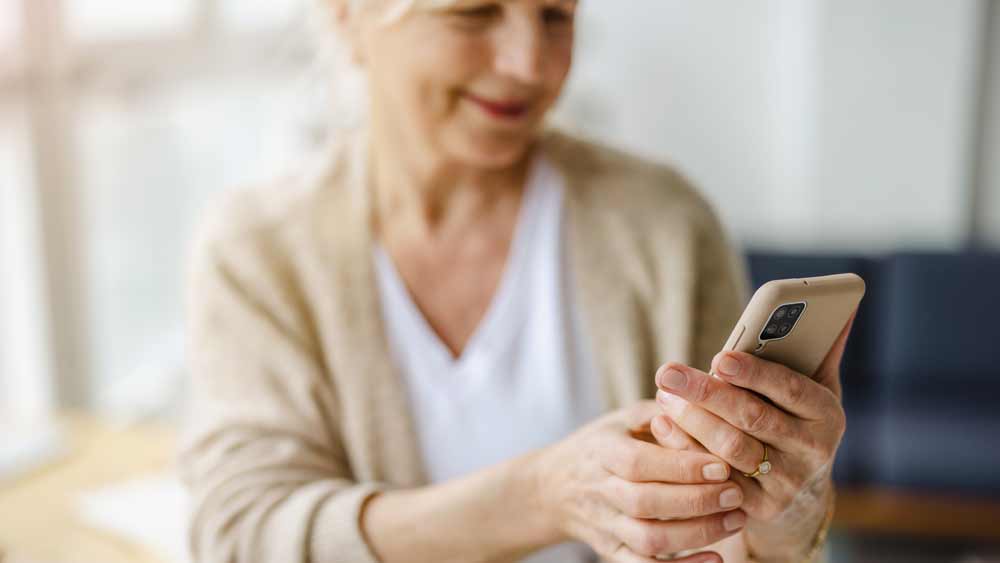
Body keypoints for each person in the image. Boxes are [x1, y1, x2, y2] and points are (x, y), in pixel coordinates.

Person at [179, 1, 851, 561]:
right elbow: (239, 533)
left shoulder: (665, 226)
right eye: (476, 12)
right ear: (350, 16)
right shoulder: (257, 248)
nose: (530, 64)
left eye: (556, 15)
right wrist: (542, 494)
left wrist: (785, 506)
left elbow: (743, 543)